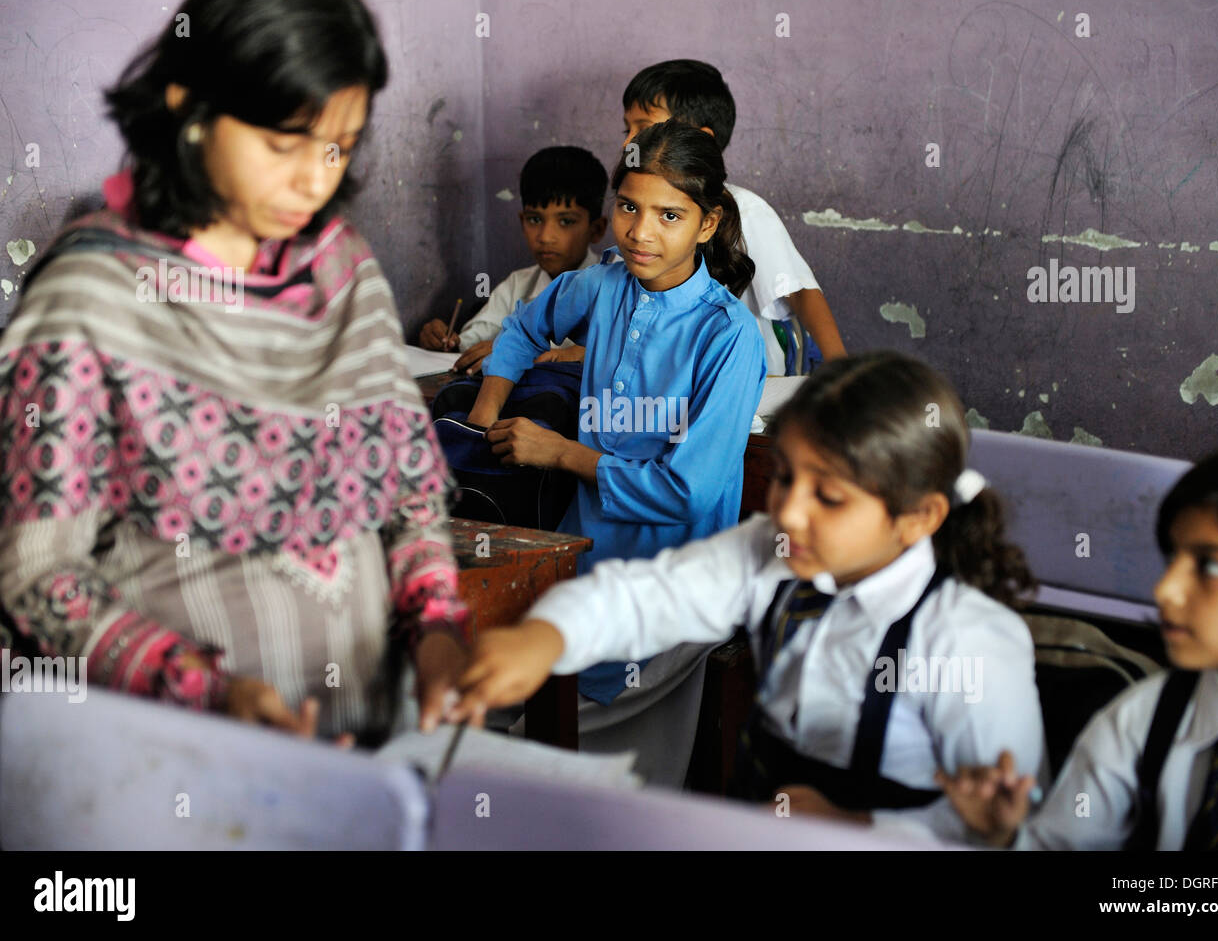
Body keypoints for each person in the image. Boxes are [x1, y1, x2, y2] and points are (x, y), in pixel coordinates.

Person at [0, 0, 471, 829]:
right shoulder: (90, 297)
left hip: (355, 763)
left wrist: (437, 628)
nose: (313, 180)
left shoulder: (342, 271)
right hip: (171, 775)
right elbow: (41, 573)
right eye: (287, 143)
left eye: (340, 148)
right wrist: (208, 690)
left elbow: (407, 497)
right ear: (190, 108)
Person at [453, 352, 1046, 840]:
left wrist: (859, 825)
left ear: (918, 517)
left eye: (829, 498)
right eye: (786, 475)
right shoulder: (774, 550)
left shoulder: (971, 643)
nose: (788, 509)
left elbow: (1005, 828)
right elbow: (646, 596)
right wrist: (543, 637)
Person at [462, 121, 767, 783]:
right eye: (629, 207)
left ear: (708, 224)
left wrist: (563, 454)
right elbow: (521, 327)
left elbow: (689, 491)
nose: (641, 232)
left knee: (534, 760)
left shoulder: (729, 336)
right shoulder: (601, 286)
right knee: (481, 701)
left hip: (676, 582)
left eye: (669, 215)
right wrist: (484, 413)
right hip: (582, 558)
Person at [939, 439, 1218, 850]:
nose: (1165, 589)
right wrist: (1008, 839)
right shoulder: (1144, 717)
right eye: (1172, 557)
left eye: (1210, 565)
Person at [621, 59, 847, 375]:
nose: (628, 142)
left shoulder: (742, 208)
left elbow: (799, 292)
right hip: (667, 381)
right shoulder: (633, 205)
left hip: (748, 381)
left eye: (644, 129)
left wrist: (842, 372)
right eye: (627, 128)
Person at [417, 146, 608, 374]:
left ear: (596, 229)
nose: (546, 237)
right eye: (534, 219)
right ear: (521, 221)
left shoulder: (614, 286)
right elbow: (476, 337)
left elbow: (610, 352)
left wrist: (512, 349)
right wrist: (447, 342)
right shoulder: (518, 285)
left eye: (566, 222)